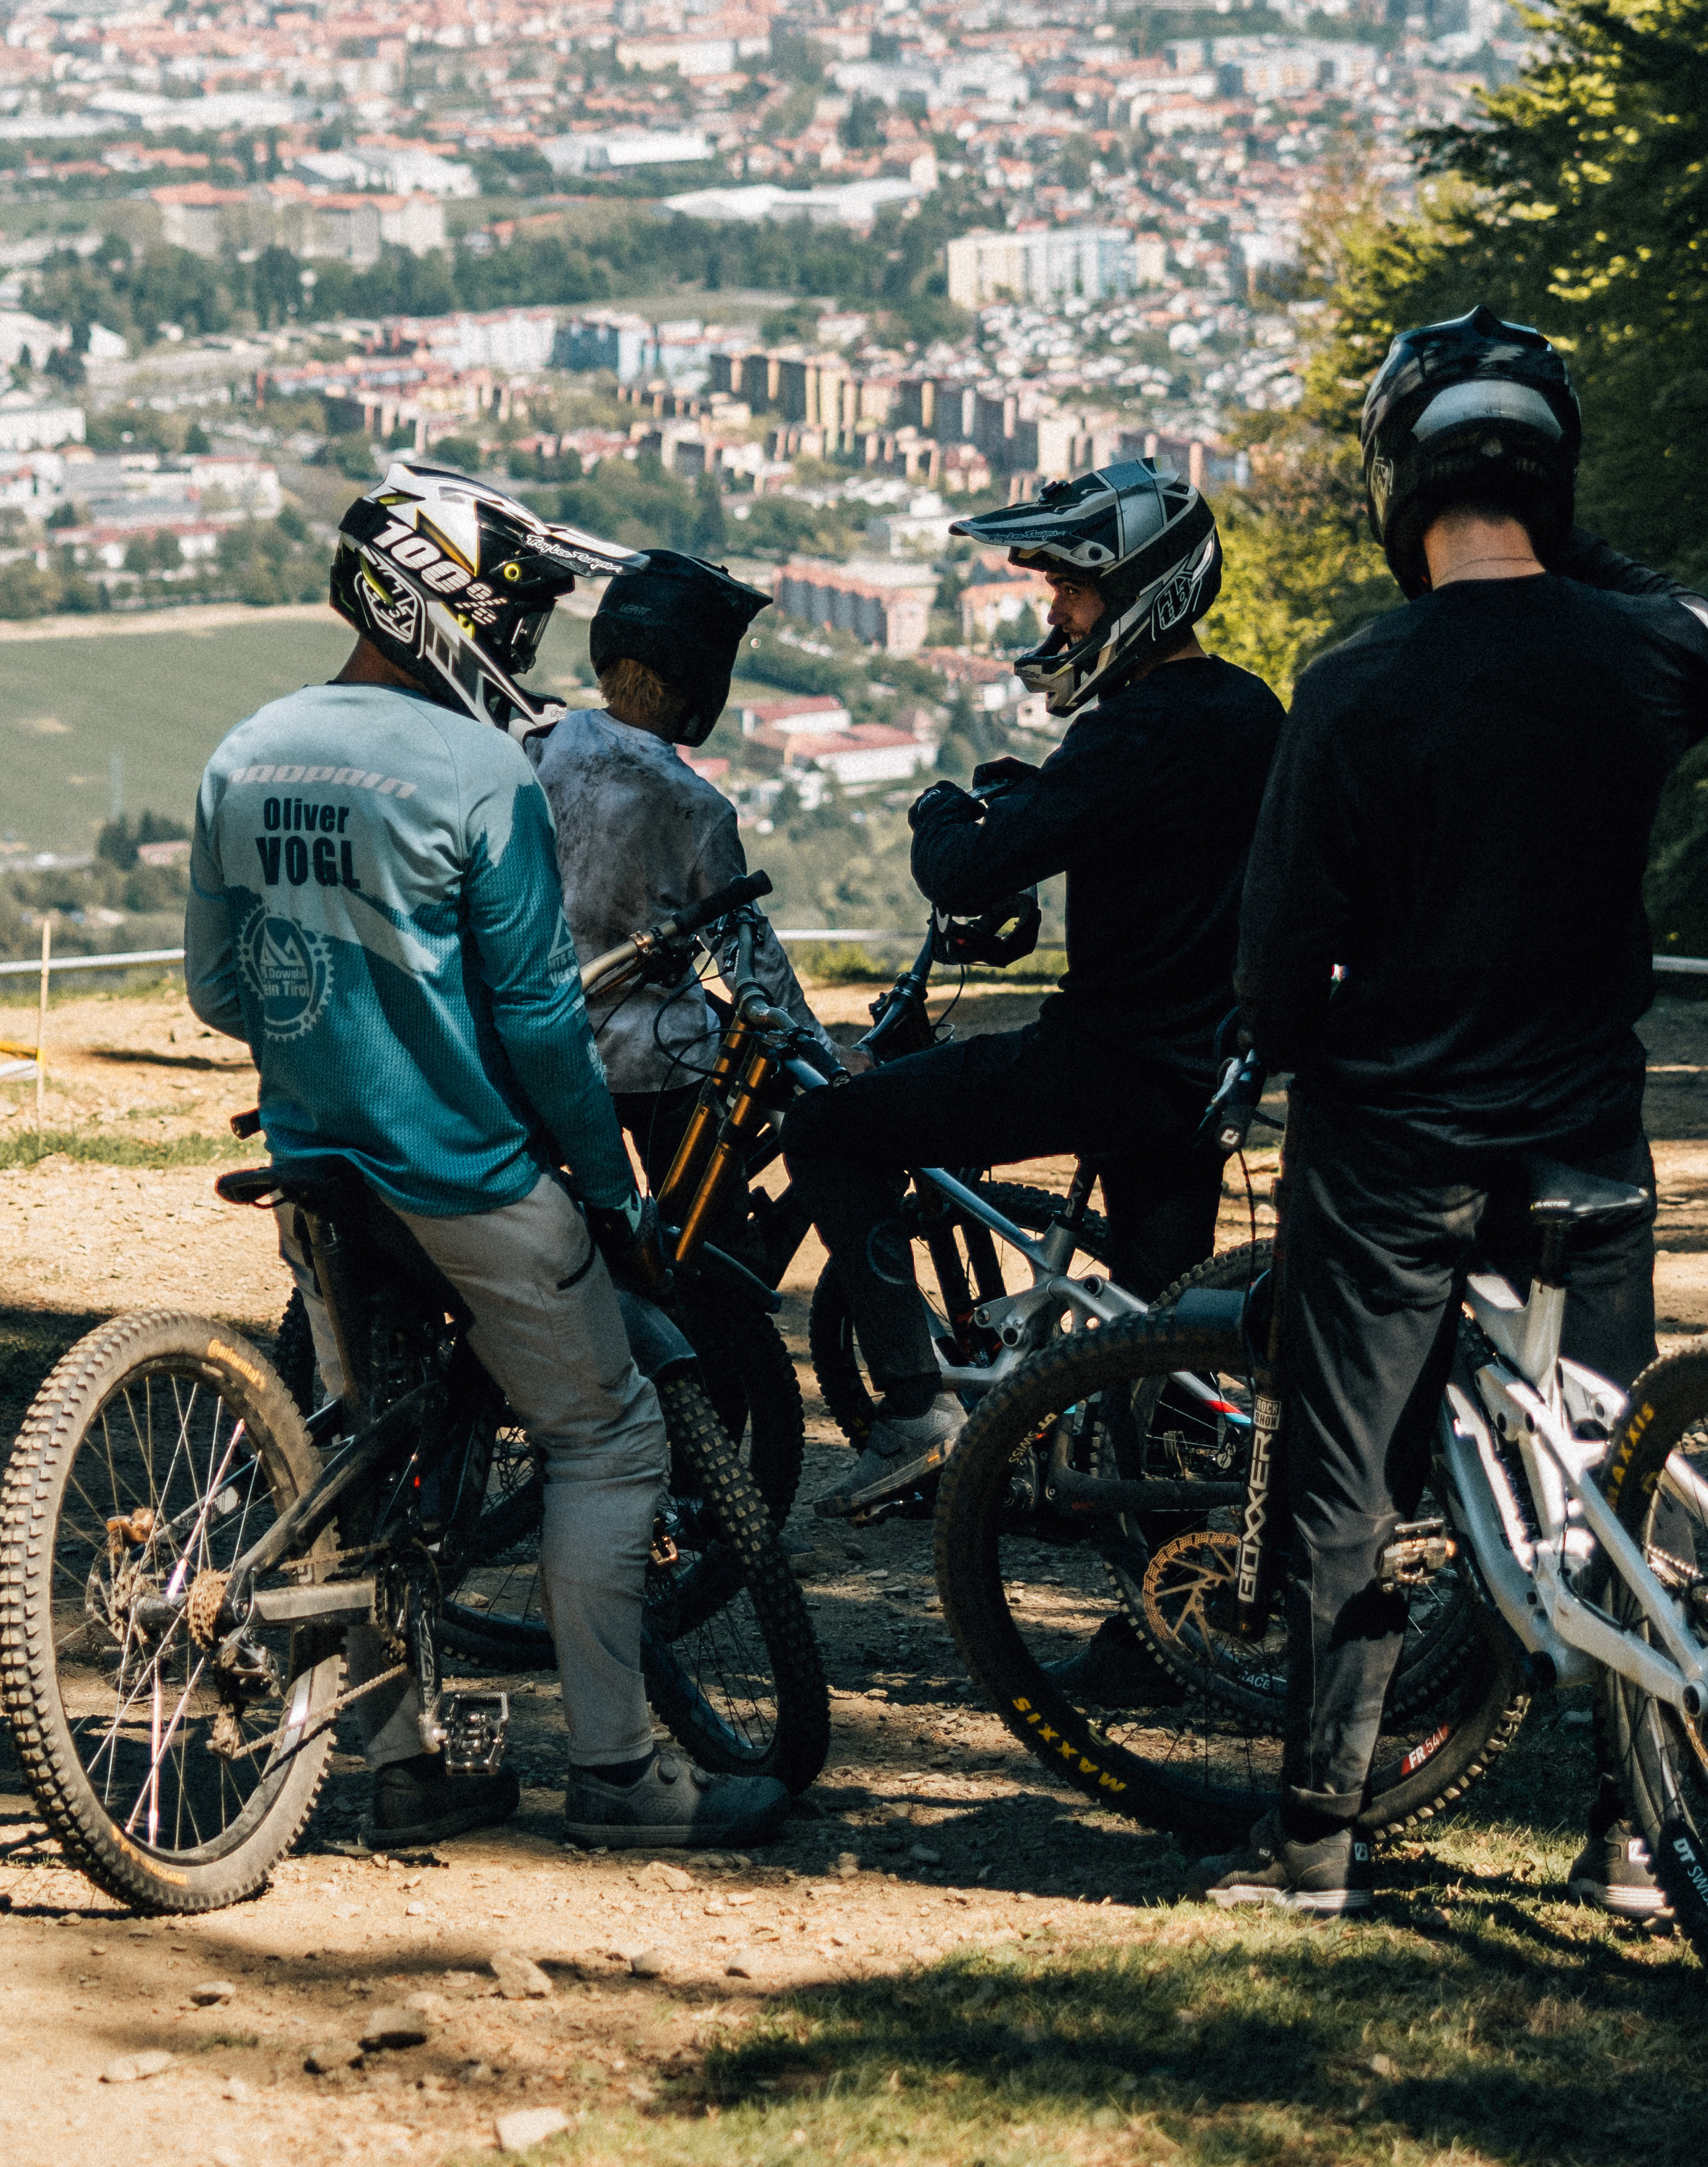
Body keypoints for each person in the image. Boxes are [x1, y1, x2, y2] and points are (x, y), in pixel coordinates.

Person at [1200, 308, 1708, 1919]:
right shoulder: (1637, 654)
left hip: (1391, 1146)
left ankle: (1316, 1840)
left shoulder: (1353, 682)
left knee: (1348, 1484)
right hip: (1583, 1129)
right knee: (1613, 1460)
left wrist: (1270, 1046)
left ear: (1396, 478)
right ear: (1551, 479)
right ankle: (1635, 1833)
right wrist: (1564, 542)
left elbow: (1277, 952)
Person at [185, 460, 795, 1855]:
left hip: (316, 1162)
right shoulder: (480, 770)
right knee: (607, 1436)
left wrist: (340, 1026)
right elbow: (537, 1022)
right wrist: (608, 1190)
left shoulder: (245, 749)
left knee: (367, 1456)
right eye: (512, 613)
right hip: (463, 1170)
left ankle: (408, 1763)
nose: (521, 643)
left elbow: (221, 990)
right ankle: (618, 1772)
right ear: (450, 609)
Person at [776, 459, 1286, 1514]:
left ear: (1145, 593)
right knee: (1155, 1350)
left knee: (826, 1130)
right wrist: (1041, 800)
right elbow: (1144, 832)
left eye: (1073, 589)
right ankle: (1163, 1561)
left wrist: (939, 811)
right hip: (1204, 1078)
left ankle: (914, 1409)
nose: (1055, 612)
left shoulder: (1129, 730)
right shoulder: (1249, 710)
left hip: (1103, 1063)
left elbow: (966, 871)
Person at [531, 551, 840, 1184]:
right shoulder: (696, 808)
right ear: (701, 674)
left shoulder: (541, 744)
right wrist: (825, 1053)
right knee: (714, 1230)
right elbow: (749, 957)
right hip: (658, 1062)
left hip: (548, 1041)